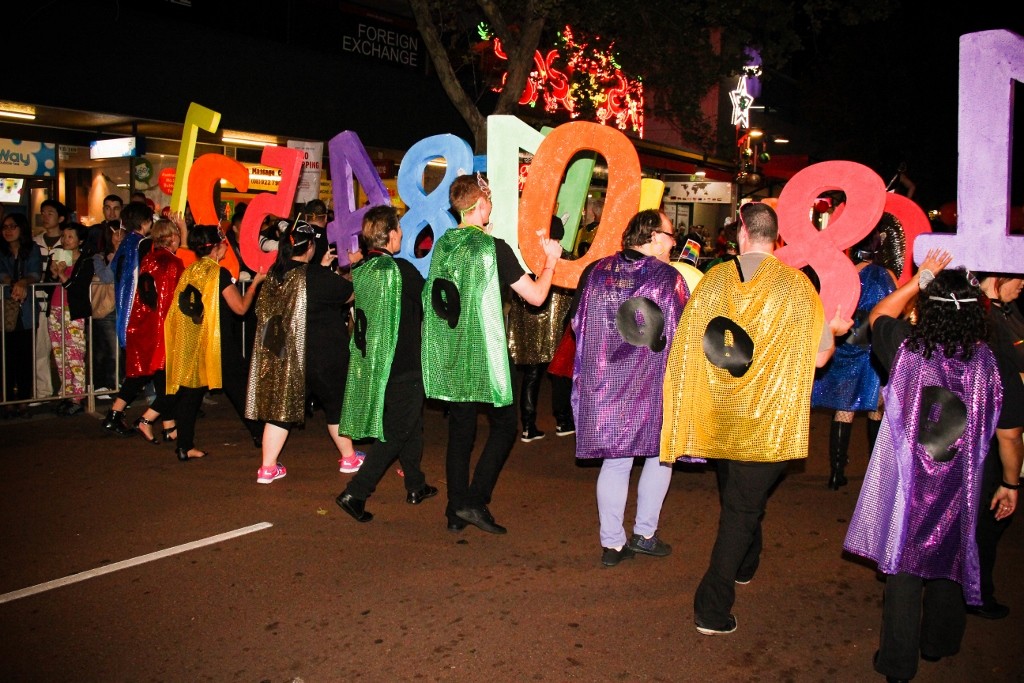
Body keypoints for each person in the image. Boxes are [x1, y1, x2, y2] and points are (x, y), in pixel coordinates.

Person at [661, 201, 848, 635]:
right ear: (776, 238)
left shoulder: (714, 280)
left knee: (740, 501)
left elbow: (692, 345)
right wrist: (834, 332)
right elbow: (820, 359)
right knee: (741, 510)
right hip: (768, 420)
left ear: (742, 233)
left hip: (721, 414)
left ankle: (746, 562)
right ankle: (711, 608)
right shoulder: (797, 286)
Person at [844, 255, 1017, 682]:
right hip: (965, 480)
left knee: (905, 564)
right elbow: (1010, 433)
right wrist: (1010, 483)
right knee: (952, 553)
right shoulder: (990, 359)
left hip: (911, 481)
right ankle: (939, 642)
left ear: (928, 307)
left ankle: (898, 664)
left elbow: (878, 315)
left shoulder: (906, 347)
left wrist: (919, 281)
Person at [422, 173, 562, 534]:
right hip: (486, 356)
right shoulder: (493, 248)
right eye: (490, 201)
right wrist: (550, 261)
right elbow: (536, 296)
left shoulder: (444, 245)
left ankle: (455, 511)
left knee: (460, 433)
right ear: (481, 204)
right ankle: (474, 500)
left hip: (452, 352)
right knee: (503, 428)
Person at [572, 209, 689, 567]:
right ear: (653, 236)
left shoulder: (596, 272)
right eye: (670, 236)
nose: (673, 244)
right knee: (660, 455)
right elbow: (684, 334)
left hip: (606, 383)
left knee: (616, 461)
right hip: (653, 384)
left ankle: (612, 544)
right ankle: (644, 534)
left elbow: (576, 322)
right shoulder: (668, 278)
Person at [336, 205, 437, 519]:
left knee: (410, 424)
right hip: (405, 363)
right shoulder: (400, 270)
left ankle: (416, 485)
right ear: (391, 234)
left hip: (377, 364)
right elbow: (430, 300)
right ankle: (356, 492)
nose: (402, 234)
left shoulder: (363, 270)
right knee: (397, 431)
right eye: (399, 229)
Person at [245, 221, 355, 484]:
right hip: (321, 355)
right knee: (335, 405)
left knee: (280, 412)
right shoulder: (313, 275)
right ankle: (349, 457)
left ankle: (267, 467)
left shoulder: (274, 275)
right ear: (310, 248)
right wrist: (348, 269)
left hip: (284, 356)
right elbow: (348, 294)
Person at [165, 225, 266, 461]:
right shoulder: (218, 274)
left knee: (190, 394)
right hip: (218, 343)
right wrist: (255, 284)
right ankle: (261, 435)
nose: (226, 247)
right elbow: (240, 308)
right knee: (240, 389)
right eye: (224, 244)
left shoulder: (190, 271)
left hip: (196, 342)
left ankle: (184, 446)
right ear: (216, 248)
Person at [812, 227, 898, 489]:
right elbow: (896, 312)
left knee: (844, 408)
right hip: (874, 347)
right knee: (875, 409)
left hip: (846, 343)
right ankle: (874, 475)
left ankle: (836, 473)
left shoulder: (844, 273)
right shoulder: (886, 275)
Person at [102, 219, 185, 441]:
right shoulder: (171, 263)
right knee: (170, 382)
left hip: (143, 325)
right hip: (159, 329)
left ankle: (167, 426)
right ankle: (146, 420)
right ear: (172, 237)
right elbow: (171, 301)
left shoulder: (149, 259)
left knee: (146, 376)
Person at [971, 272, 1024, 620]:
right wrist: (1011, 482)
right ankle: (977, 593)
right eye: (1019, 277)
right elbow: (1009, 431)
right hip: (989, 439)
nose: (1023, 285)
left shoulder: (1004, 310)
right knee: (988, 522)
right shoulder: (988, 323)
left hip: (986, 436)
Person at [506, 215, 576, 442]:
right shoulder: (566, 260)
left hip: (528, 326)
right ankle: (563, 421)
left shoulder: (526, 259)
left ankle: (528, 426)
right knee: (560, 374)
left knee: (532, 374)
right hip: (557, 327)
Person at [47, 222, 95, 416]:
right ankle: (66, 394)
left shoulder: (86, 261)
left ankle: (77, 396)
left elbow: (78, 288)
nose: (65, 240)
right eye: (64, 236)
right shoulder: (58, 256)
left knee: (75, 354)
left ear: (80, 241)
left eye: (70, 237)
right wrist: (53, 274)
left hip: (73, 311)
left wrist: (62, 275)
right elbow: (47, 284)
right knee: (60, 354)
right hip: (55, 309)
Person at [1, 212, 42, 417]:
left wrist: (23, 283)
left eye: (12, 226)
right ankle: (7, 400)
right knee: (5, 356)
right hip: (5, 308)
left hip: (26, 310)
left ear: (22, 229)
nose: (8, 231)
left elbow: (35, 273)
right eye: (5, 227)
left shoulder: (32, 249)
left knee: (25, 356)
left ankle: (24, 399)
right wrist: (12, 283)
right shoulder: (2, 251)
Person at [32, 198, 68, 401]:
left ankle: (67, 390)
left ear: (60, 218)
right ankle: (43, 392)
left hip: (60, 302)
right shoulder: (35, 242)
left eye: (50, 213)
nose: (45, 217)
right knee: (40, 349)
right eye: (43, 213)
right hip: (38, 302)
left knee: (64, 349)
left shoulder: (67, 241)